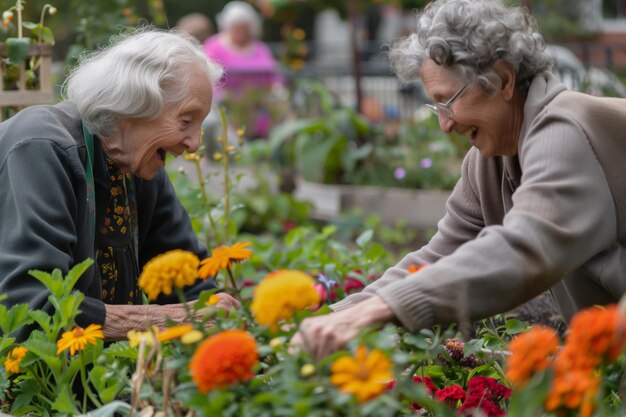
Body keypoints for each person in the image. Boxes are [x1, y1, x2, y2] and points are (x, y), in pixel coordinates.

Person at [292, 0, 626, 360]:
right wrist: (333, 319)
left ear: (503, 80)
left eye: (447, 101)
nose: (444, 124)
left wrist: (384, 309)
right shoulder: (489, 160)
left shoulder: (565, 129)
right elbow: (437, 256)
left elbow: (527, 247)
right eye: (435, 106)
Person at [0, 28, 240, 342]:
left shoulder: (139, 165)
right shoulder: (40, 147)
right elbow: (32, 309)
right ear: (135, 104)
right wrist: (175, 319)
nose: (194, 144)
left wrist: (227, 322)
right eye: (185, 121)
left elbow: (189, 281)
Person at [203, 1, 284, 139]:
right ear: (227, 26)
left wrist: (278, 90)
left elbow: (274, 76)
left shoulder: (260, 49)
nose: (240, 32)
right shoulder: (214, 46)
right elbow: (207, 78)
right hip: (226, 109)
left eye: (244, 28)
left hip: (259, 108)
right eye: (236, 27)